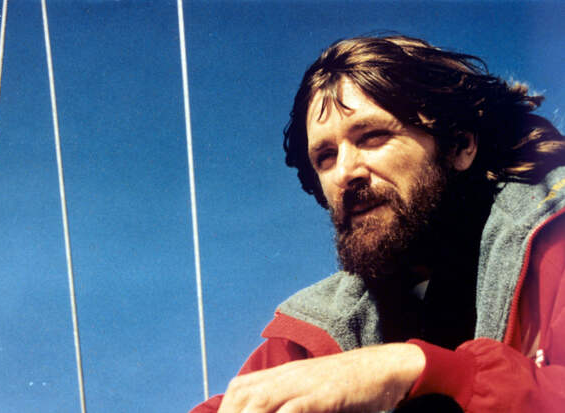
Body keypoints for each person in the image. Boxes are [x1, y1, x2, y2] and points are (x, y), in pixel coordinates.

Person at [190, 35, 565, 412]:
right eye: (326, 156)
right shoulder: (321, 327)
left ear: (459, 145)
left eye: (372, 137)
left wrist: (419, 370)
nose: (344, 172)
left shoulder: (552, 240)